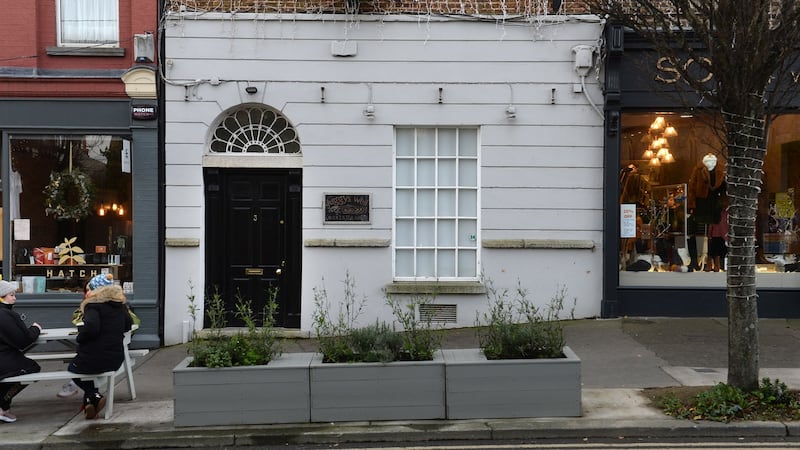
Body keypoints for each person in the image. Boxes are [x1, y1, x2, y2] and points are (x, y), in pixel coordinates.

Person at [68, 274, 132, 419]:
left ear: (97, 290)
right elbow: (128, 325)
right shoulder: (120, 306)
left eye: (90, 289)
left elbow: (92, 328)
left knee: (74, 369)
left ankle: (94, 395)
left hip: (94, 357)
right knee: (87, 371)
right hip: (116, 358)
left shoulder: (93, 306)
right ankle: (89, 405)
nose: (87, 292)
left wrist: (80, 337)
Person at [0, 280, 42, 423]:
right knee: (32, 369)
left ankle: (4, 406)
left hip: (4, 359)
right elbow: (23, 340)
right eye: (11, 295)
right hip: (4, 359)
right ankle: (2, 404)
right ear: (2, 296)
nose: (14, 298)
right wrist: (36, 328)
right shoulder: (6, 315)